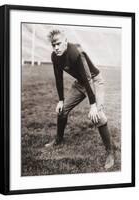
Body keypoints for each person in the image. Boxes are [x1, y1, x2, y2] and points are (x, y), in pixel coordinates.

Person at [45, 29, 114, 170]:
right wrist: (61, 100)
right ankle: (59, 140)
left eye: (58, 44)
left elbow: (89, 78)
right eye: (53, 45)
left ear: (65, 41)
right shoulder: (55, 56)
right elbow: (59, 78)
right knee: (62, 110)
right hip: (80, 82)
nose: (56, 48)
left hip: (94, 80)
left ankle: (110, 153)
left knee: (98, 116)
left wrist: (93, 104)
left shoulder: (75, 53)